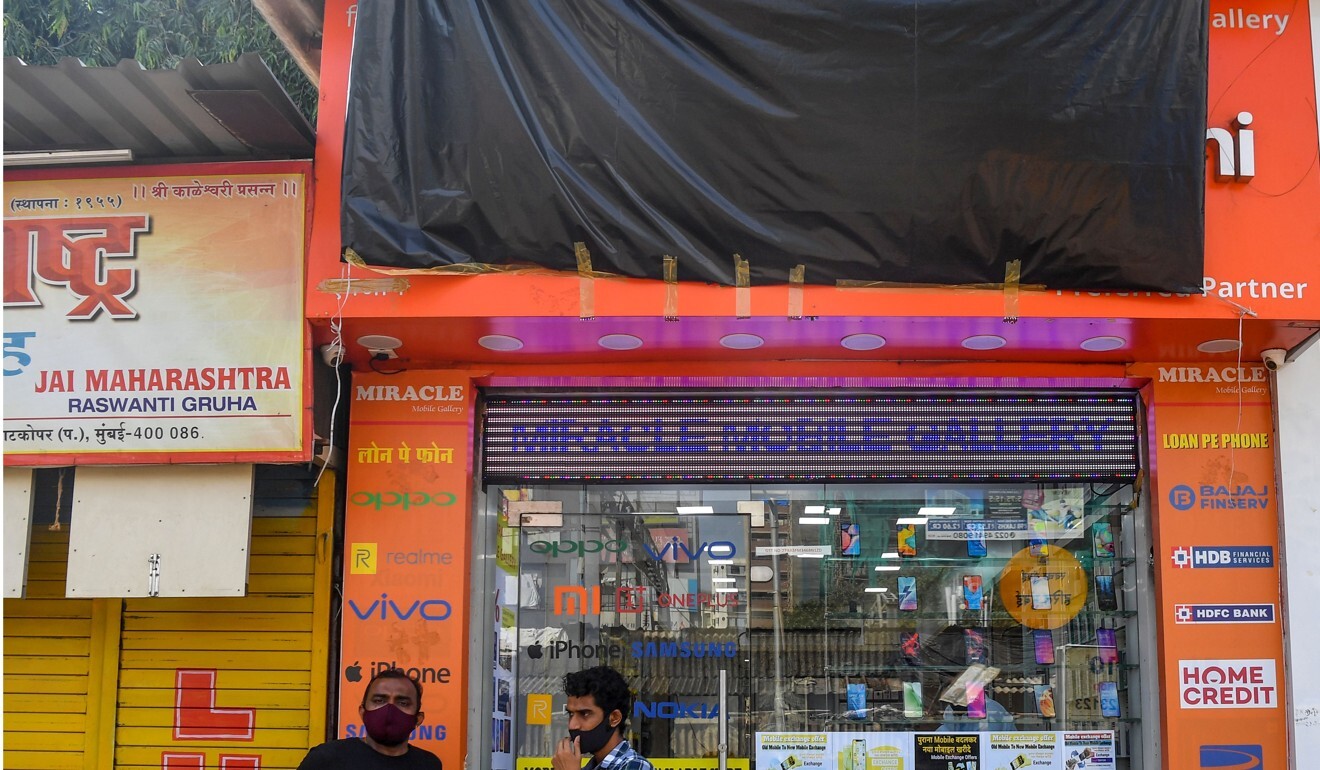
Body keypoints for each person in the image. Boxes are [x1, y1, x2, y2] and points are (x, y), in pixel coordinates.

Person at [297, 667, 443, 769]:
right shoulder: (326, 758)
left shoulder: (428, 764)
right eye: (379, 700)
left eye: (402, 702)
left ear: (418, 719)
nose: (389, 709)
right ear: (362, 712)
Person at [552, 665, 654, 770]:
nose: (572, 725)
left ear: (614, 718)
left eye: (584, 714)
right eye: (571, 714)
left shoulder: (636, 766)